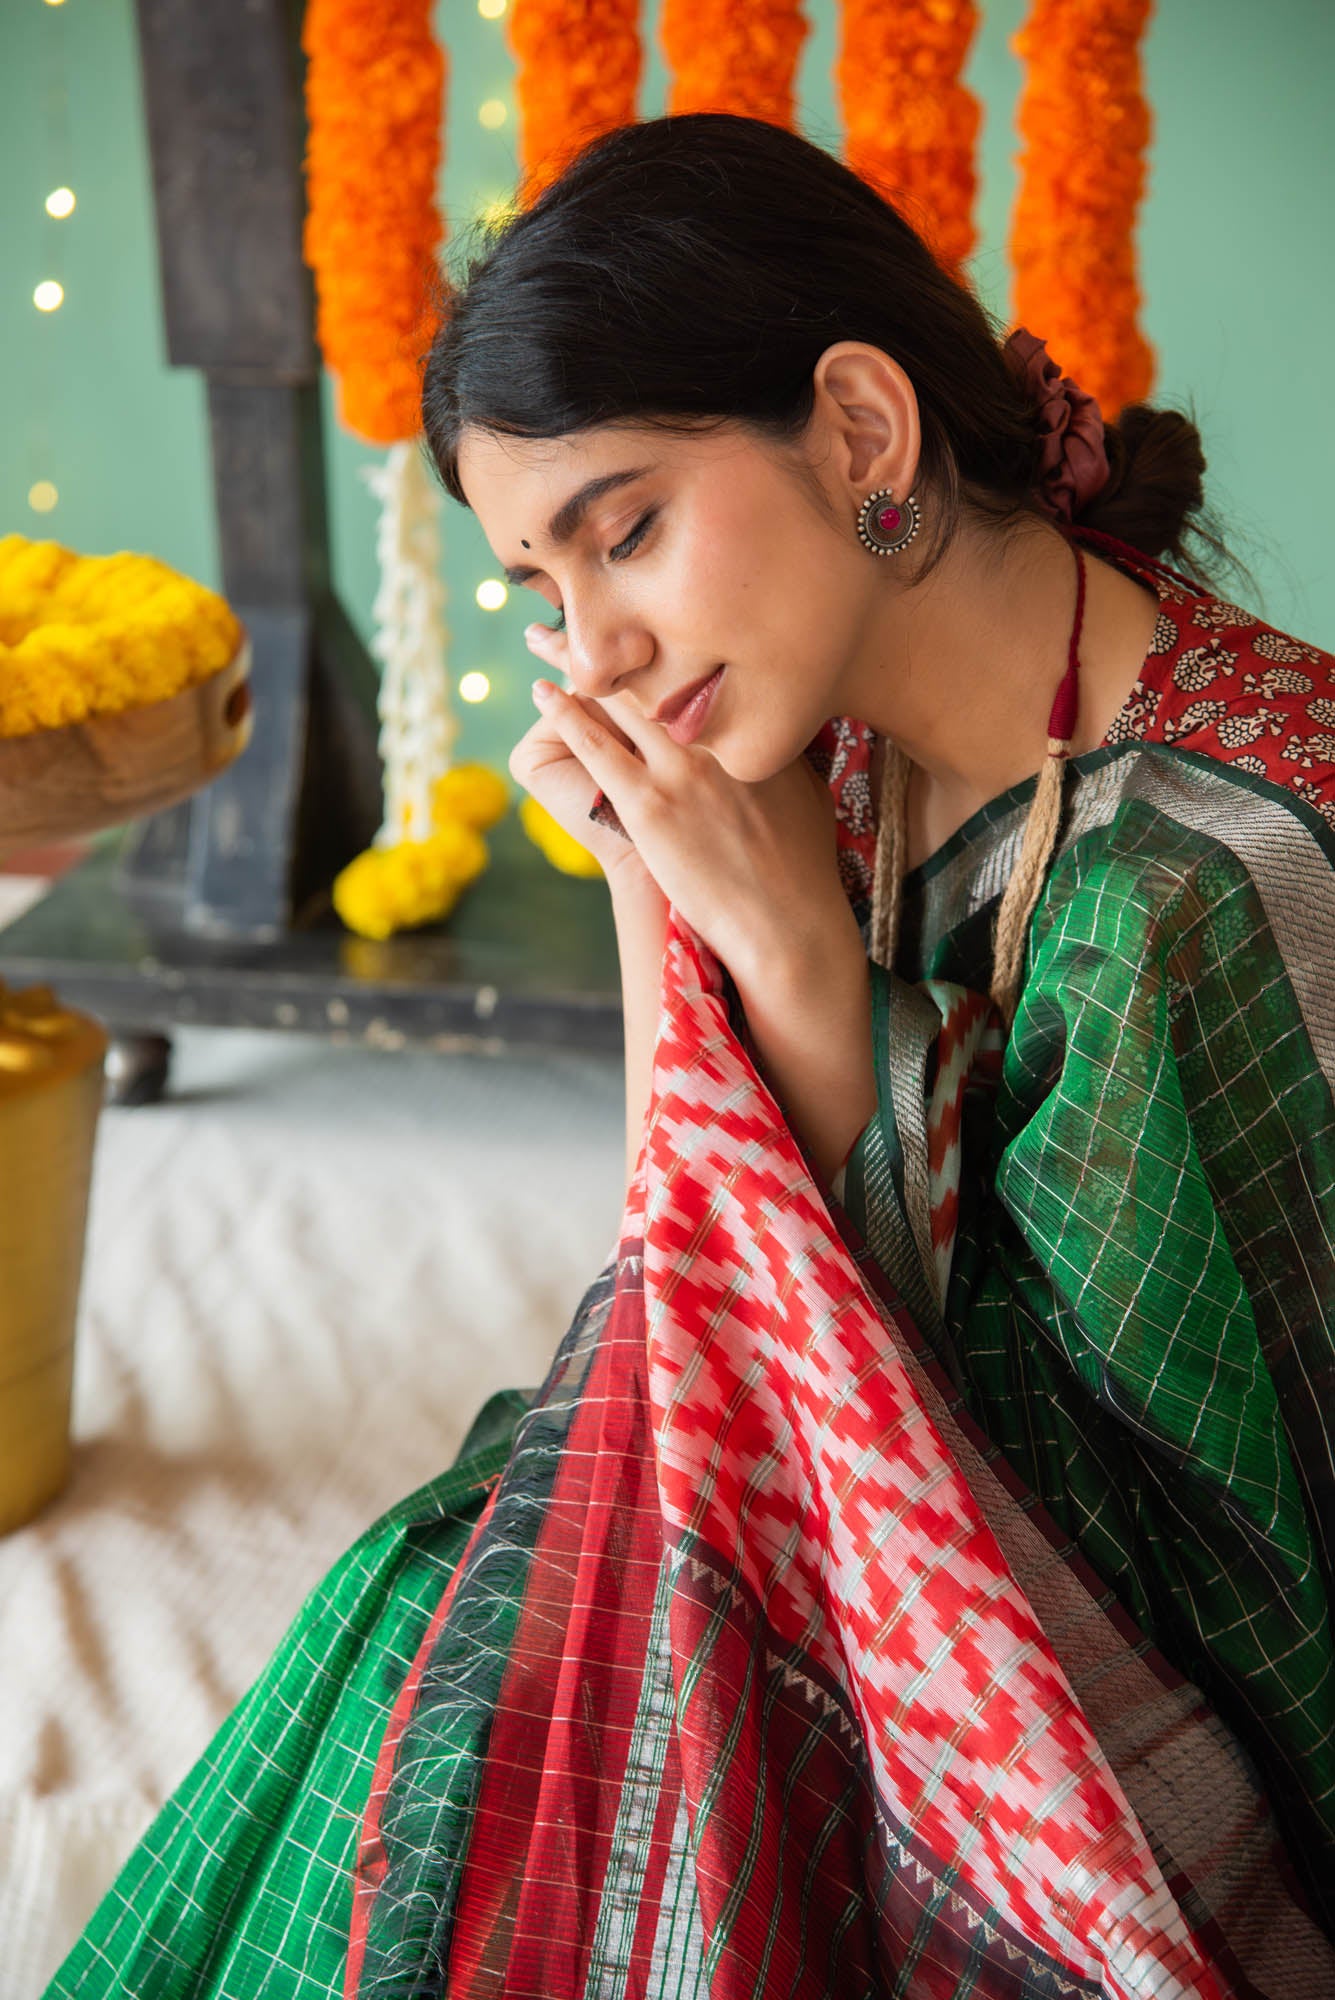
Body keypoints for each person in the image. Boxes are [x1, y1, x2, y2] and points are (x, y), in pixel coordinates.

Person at [47, 112, 1335, 1999]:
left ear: (866, 434)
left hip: (1115, 1697)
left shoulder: (1223, 871)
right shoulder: (793, 738)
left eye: (626, 530)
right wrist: (670, 910)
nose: (601, 654)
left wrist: (809, 979)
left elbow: (1154, 1554)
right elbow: (675, 1276)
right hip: (863, 1519)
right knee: (450, 1616)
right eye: (544, 596)